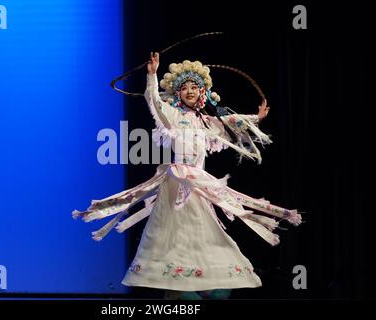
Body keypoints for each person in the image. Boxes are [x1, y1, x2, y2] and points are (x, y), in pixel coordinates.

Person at [73, 52, 302, 300]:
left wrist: (256, 118)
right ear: (178, 93)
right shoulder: (173, 118)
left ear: (202, 92)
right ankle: (176, 287)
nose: (190, 91)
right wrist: (152, 75)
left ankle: (205, 279)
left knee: (204, 232)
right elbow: (154, 103)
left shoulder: (208, 122)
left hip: (200, 185)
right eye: (185, 88)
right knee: (174, 235)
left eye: (195, 87)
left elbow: (232, 123)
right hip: (176, 183)